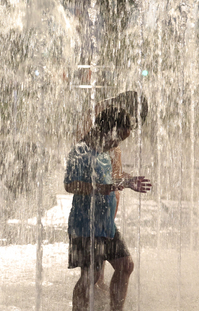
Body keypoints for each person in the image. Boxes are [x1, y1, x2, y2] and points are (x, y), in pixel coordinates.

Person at [65, 106, 151, 311]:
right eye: (118, 137)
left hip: (105, 224)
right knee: (91, 276)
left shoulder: (105, 153)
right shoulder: (81, 151)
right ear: (107, 129)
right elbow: (70, 184)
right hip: (85, 225)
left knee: (125, 265)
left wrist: (127, 180)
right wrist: (103, 188)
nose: (118, 143)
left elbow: (108, 180)